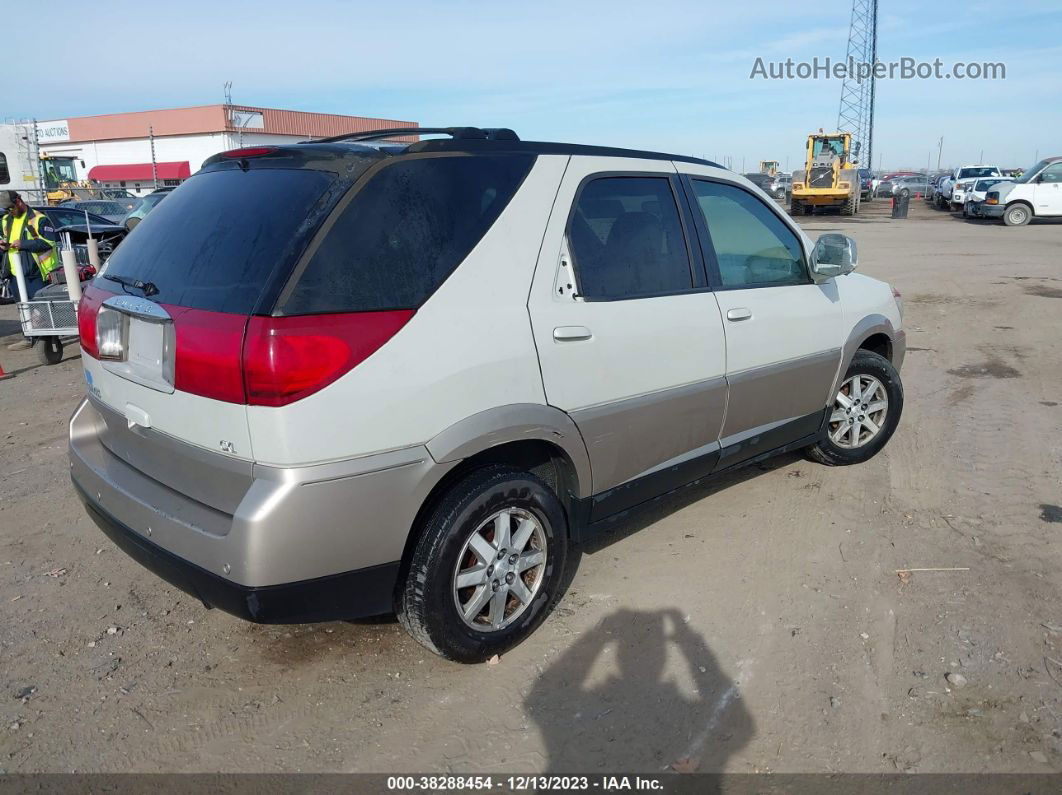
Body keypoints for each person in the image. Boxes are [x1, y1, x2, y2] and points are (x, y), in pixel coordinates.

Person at [0, 191, 59, 350]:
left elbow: (49, 243)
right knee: (23, 307)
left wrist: (23, 244)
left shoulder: (38, 219)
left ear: (19, 201)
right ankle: (29, 337)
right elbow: (6, 241)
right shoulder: (6, 220)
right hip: (14, 273)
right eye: (6, 209)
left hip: (35, 272)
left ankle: (48, 341)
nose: (9, 212)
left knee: (40, 308)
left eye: (11, 208)